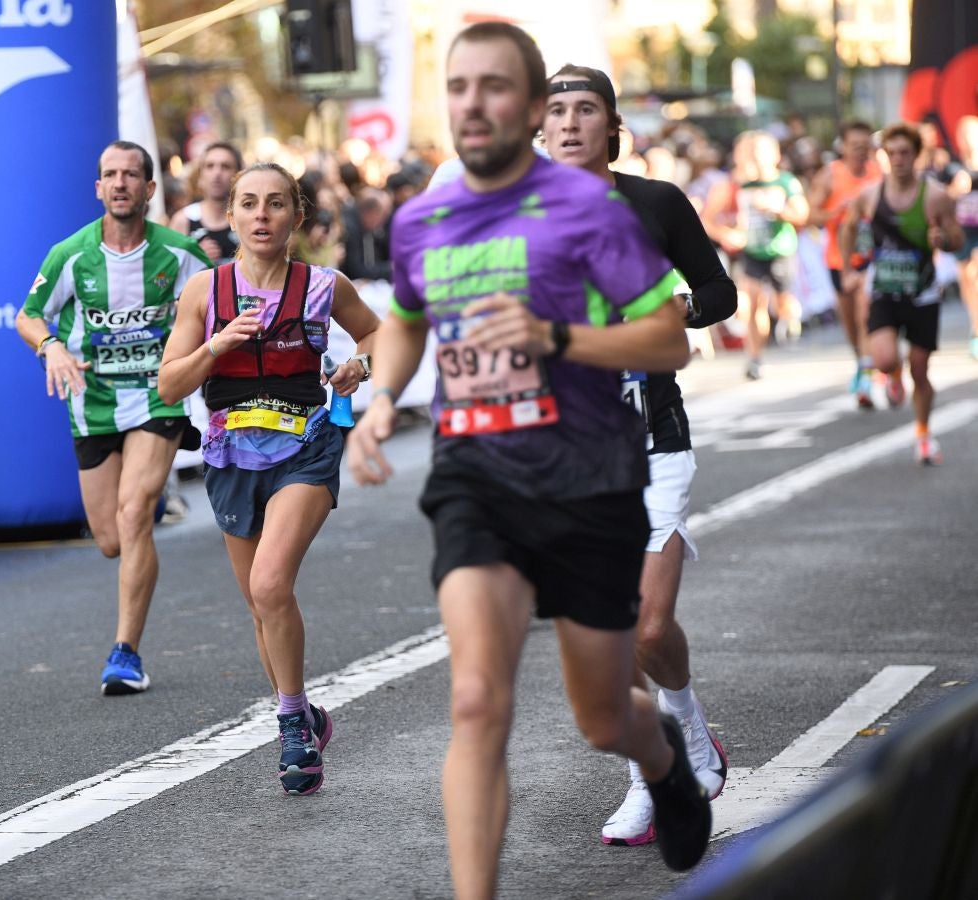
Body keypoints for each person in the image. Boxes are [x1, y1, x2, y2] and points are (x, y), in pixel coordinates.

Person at [346, 24, 712, 896]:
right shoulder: (423, 217)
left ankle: (661, 757)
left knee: (598, 717)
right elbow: (403, 317)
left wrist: (556, 335)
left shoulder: (594, 210)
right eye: (459, 86)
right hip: (478, 473)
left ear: (533, 105)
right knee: (476, 701)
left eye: (496, 86)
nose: (475, 103)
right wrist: (383, 397)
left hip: (592, 478)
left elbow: (670, 340)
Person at [542, 63, 735, 850]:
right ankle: (647, 779)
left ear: (611, 126)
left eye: (587, 109)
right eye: (557, 111)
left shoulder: (655, 203)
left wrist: (673, 310)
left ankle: (690, 728)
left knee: (650, 628)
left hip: (652, 432)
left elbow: (718, 293)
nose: (572, 122)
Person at [158, 161, 379, 795]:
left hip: (305, 448)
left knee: (271, 582)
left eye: (276, 204)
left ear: (296, 217)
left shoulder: (322, 285)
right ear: (230, 216)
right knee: (261, 604)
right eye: (249, 204)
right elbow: (171, 384)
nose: (262, 215)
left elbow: (375, 332)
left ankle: (289, 725)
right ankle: (303, 711)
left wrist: (358, 365)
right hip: (230, 456)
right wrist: (217, 345)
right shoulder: (205, 292)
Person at [16, 140, 211, 695]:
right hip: (93, 400)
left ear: (150, 189)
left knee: (133, 515)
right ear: (98, 188)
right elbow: (28, 316)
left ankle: (125, 653)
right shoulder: (70, 254)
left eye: (132, 174)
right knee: (110, 538)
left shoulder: (179, 254)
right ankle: (137, 560)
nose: (120, 183)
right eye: (110, 175)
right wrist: (50, 346)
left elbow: (223, 305)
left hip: (158, 397)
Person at [839, 123, 964, 465]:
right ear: (883, 156)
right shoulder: (870, 196)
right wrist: (849, 269)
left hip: (922, 294)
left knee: (920, 370)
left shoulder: (935, 196)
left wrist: (944, 241)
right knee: (884, 359)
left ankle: (923, 434)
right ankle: (891, 375)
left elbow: (957, 239)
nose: (898, 160)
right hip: (884, 291)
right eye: (891, 153)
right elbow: (848, 228)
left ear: (916, 155)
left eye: (904, 152)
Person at [807, 121, 881, 406]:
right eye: (856, 146)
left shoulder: (878, 174)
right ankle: (860, 360)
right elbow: (810, 215)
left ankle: (866, 372)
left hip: (870, 258)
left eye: (866, 146)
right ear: (844, 147)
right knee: (850, 321)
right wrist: (836, 212)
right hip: (839, 259)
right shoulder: (830, 176)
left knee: (866, 312)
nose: (862, 152)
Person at [732, 131, 809, 380]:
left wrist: (776, 210)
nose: (756, 159)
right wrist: (729, 232)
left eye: (761, 153)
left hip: (780, 252)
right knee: (754, 306)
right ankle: (754, 358)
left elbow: (802, 215)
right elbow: (713, 216)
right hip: (752, 252)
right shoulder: (740, 184)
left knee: (783, 304)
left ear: (774, 155)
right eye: (751, 153)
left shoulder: (786, 182)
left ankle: (790, 315)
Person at [169, 141, 243, 265]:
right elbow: (165, 274)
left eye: (225, 166)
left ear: (238, 174)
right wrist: (194, 257)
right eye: (210, 166)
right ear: (200, 175)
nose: (217, 173)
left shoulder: (249, 218)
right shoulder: (183, 220)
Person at [950, 116, 978, 360]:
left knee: (975, 274)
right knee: (967, 282)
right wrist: (955, 189)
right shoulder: (953, 165)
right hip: (962, 230)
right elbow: (945, 198)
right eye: (964, 136)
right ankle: (975, 327)